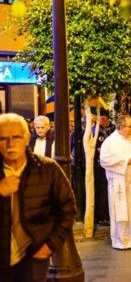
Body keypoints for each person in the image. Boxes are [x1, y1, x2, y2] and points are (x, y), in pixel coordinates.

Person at [0, 113, 76, 281]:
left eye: (17, 137)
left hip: (33, 254)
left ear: (27, 137)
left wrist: (50, 244)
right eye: (3, 138)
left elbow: (67, 207)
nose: (10, 144)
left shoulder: (47, 169)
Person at [99, 114, 131, 249]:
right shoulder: (110, 142)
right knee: (122, 212)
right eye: (130, 126)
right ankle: (122, 241)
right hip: (119, 184)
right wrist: (127, 160)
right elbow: (104, 160)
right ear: (121, 127)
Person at [93, 109, 115, 225]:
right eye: (99, 118)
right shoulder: (94, 131)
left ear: (107, 118)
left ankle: (111, 215)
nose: (101, 120)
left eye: (103, 118)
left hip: (114, 165)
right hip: (99, 167)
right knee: (101, 190)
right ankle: (102, 215)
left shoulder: (114, 130)